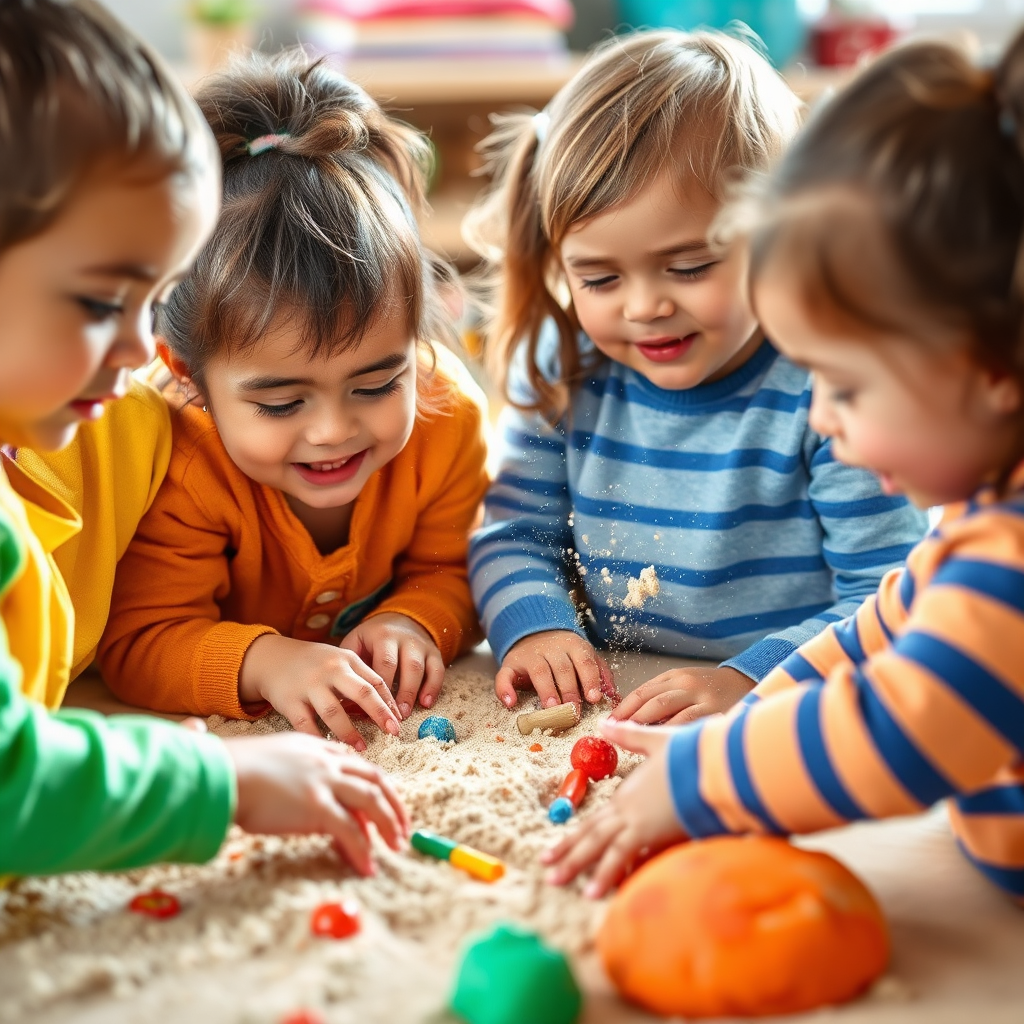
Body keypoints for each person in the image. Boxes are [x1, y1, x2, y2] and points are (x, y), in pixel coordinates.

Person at [544, 32, 1024, 901]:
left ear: (987, 374)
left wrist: (700, 787)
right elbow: (880, 626)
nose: (826, 422)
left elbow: (895, 737)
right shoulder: (979, 522)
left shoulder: (1011, 569)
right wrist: (736, 725)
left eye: (844, 387)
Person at [0, 0, 408, 879]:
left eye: (154, 302)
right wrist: (221, 779)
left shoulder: (118, 423)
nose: (147, 350)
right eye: (103, 301)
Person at [464, 29, 928, 720]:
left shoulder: (827, 390)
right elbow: (512, 536)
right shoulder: (562, 370)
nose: (646, 305)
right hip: (625, 686)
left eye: (689, 267)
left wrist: (752, 680)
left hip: (787, 693)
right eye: (599, 277)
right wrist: (537, 623)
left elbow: (891, 593)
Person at [97, 52, 489, 752]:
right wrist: (266, 661)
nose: (335, 430)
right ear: (187, 375)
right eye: (281, 404)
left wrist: (415, 618)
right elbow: (140, 639)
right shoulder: (181, 461)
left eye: (376, 385)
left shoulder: (446, 418)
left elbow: (455, 569)